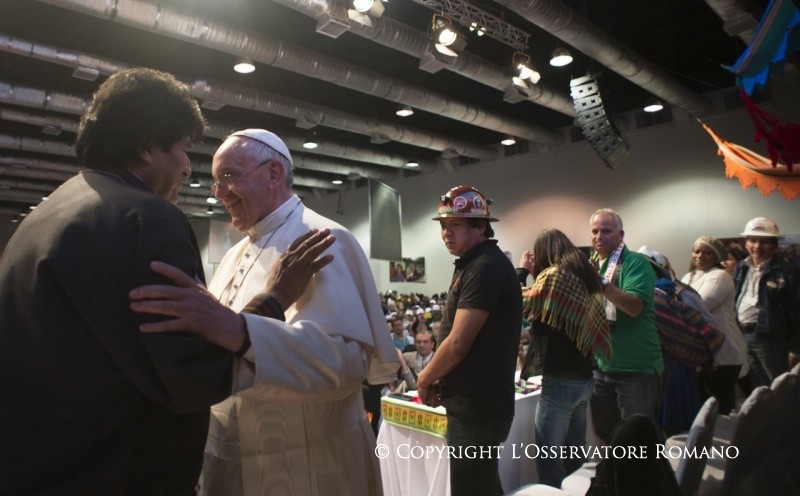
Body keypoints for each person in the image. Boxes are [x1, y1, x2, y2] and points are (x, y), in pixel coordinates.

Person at [0, 68, 332, 495]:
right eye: (183, 148)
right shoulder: (144, 219)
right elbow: (192, 374)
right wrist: (274, 298)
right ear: (146, 145)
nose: (187, 168)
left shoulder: (47, 213)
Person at [130, 129, 398, 495]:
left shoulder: (324, 239)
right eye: (215, 182)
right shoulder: (233, 254)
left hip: (308, 464)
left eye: (228, 176)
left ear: (273, 173)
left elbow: (347, 364)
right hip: (227, 458)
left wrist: (242, 332)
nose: (219, 192)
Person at [416, 185, 522, 496]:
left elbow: (459, 342)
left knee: (473, 488)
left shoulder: (484, 266)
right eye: (443, 225)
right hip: (475, 402)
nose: (446, 233)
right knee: (480, 485)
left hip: (478, 405)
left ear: (480, 227)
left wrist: (425, 376)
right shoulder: (475, 263)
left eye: (456, 225)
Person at [521, 228, 611, 487]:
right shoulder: (586, 277)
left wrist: (521, 272)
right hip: (584, 378)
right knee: (576, 452)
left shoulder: (554, 276)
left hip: (560, 380)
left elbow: (522, 301)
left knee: (548, 458)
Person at [588, 208, 664, 443]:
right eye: (594, 231)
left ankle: (653, 469)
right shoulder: (593, 265)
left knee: (640, 439)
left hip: (635, 369)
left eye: (606, 231)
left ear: (621, 235)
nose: (599, 236)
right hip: (602, 367)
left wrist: (599, 282)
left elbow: (633, 307)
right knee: (607, 435)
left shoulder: (636, 263)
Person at [681, 236, 748, 414]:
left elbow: (699, 305)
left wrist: (673, 303)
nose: (700, 256)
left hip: (725, 350)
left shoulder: (720, 276)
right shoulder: (689, 276)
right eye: (697, 251)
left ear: (716, 257)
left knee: (722, 404)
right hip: (706, 351)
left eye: (707, 253)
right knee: (707, 406)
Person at [733, 217, 800, 387]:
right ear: (746, 243)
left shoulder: (787, 272)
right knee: (759, 389)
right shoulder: (741, 267)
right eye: (753, 240)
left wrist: (795, 350)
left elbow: (796, 311)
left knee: (780, 388)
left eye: (764, 242)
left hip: (772, 340)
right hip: (743, 335)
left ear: (775, 246)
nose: (757, 246)